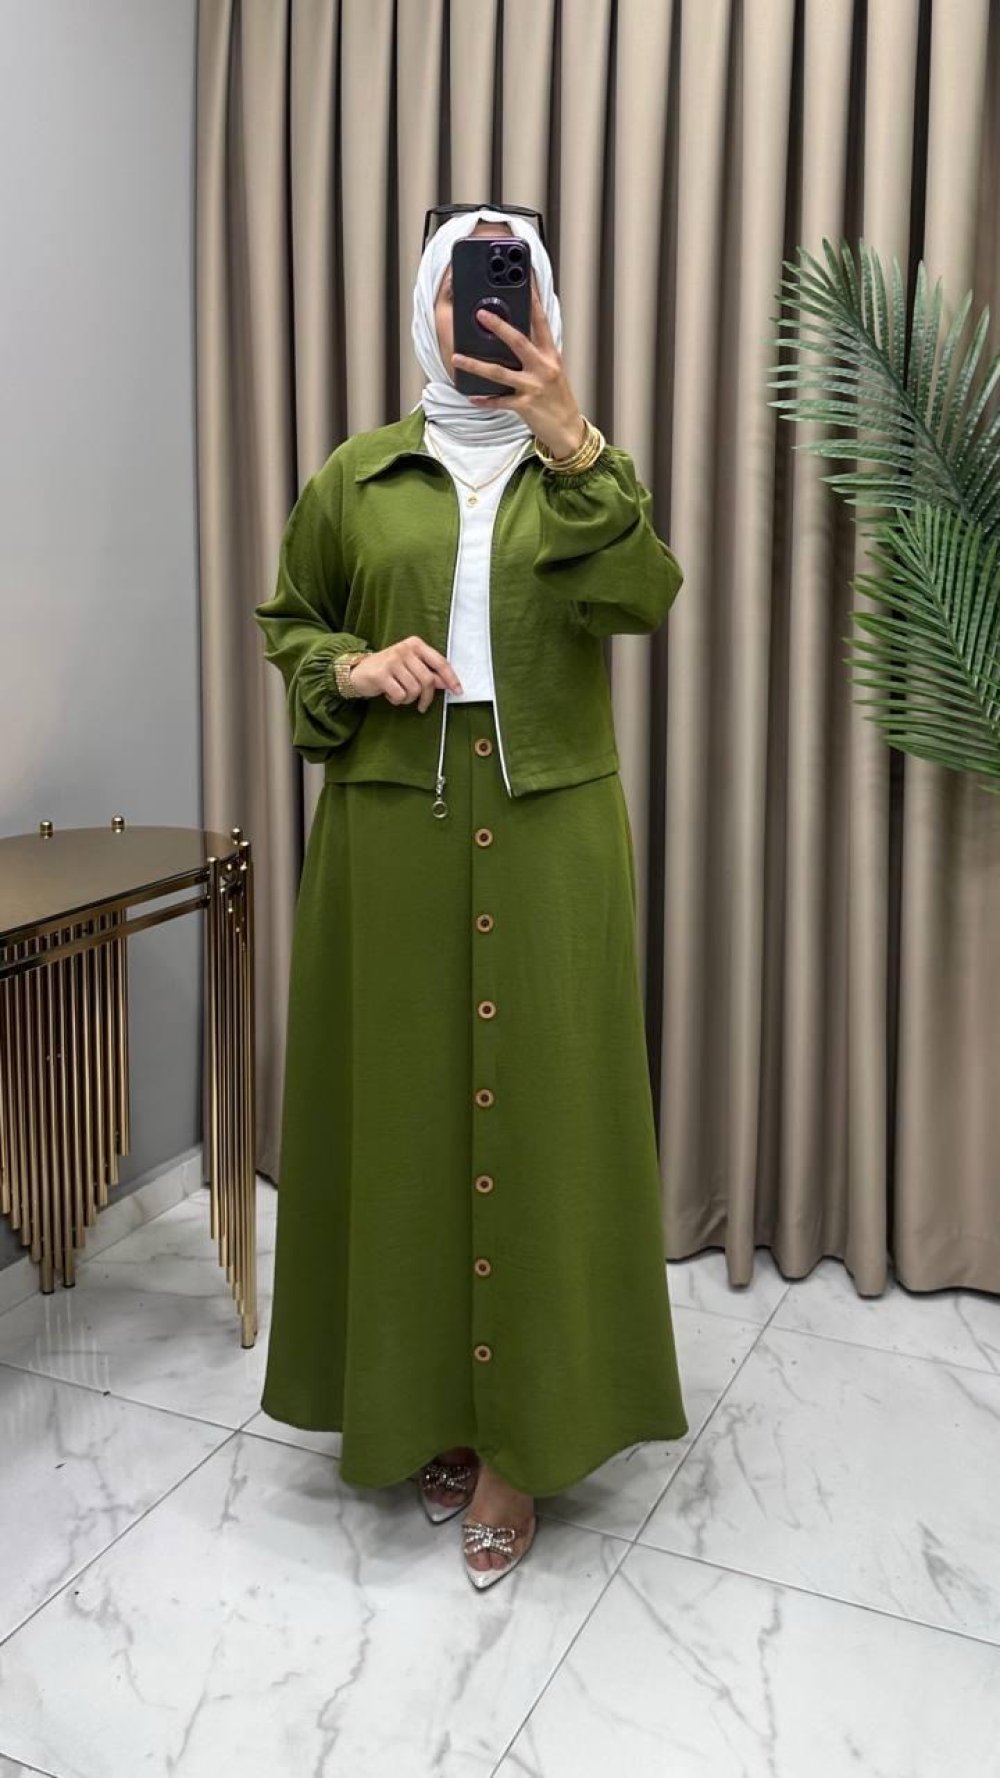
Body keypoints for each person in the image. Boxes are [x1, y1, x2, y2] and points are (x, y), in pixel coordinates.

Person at [253, 204, 688, 1592]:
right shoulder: (358, 474)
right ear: (425, 306)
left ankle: (524, 1441)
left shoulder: (585, 471)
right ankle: (429, 1405)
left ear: (543, 309)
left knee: (546, 1116)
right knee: (409, 1116)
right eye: (461, 285)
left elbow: (644, 599)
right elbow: (291, 622)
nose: (483, 310)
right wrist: (352, 668)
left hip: (551, 821)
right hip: (394, 816)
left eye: (511, 287)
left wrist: (577, 442)